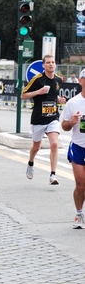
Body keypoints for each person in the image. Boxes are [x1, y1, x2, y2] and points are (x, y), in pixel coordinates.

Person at [21, 55, 66, 184]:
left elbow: (54, 96)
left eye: (53, 62)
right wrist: (38, 92)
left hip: (53, 117)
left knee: (54, 144)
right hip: (38, 118)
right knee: (36, 146)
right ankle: (30, 163)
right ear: (43, 65)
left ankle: (53, 175)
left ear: (55, 64)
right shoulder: (37, 79)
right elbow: (23, 95)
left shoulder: (58, 80)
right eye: (48, 62)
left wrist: (60, 100)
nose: (51, 64)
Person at [61, 68, 85, 229]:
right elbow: (64, 126)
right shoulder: (73, 103)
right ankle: (79, 214)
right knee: (81, 185)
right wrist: (72, 122)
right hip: (78, 147)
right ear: (81, 81)